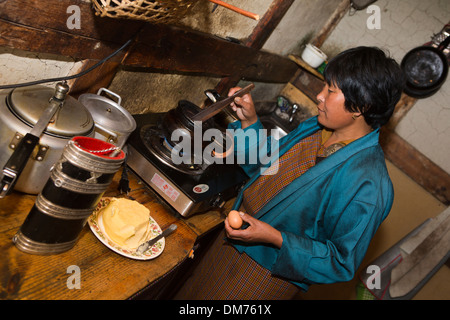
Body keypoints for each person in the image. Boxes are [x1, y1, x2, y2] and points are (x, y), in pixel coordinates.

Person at [174, 46, 405, 299]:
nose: (319, 96)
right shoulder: (317, 127)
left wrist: (274, 237)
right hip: (229, 240)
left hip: (264, 276)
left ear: (361, 106)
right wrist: (250, 121)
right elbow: (269, 165)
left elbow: (340, 262)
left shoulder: (369, 183)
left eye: (331, 90)